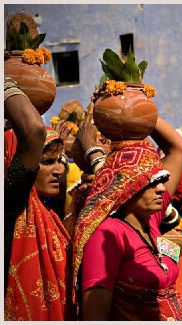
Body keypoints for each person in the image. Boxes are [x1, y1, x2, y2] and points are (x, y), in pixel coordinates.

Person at [71, 115, 182, 320]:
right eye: (152, 182)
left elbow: (179, 149)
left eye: (162, 180)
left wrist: (141, 106)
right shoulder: (107, 234)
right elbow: (95, 317)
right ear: (127, 186)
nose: (162, 189)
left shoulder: (150, 219)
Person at [4, 77, 74, 321]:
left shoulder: (48, 215)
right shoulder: (11, 207)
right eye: (47, 162)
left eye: (60, 161)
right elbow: (33, 130)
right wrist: (7, 80)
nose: (60, 170)